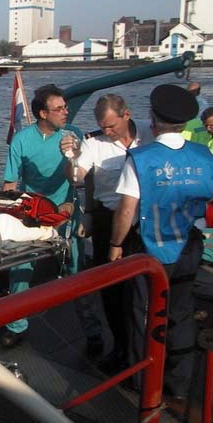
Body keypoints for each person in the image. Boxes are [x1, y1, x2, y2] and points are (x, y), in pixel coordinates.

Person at [109, 85, 213, 408]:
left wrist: (115, 244)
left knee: (141, 313)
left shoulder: (141, 158)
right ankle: (178, 381)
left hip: (149, 245)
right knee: (181, 312)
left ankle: (141, 378)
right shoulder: (206, 156)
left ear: (152, 118)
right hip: (189, 243)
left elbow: (126, 210)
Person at [59, 94, 153, 368]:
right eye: (103, 126)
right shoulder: (93, 144)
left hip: (143, 220)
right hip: (107, 219)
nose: (107, 131)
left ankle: (144, 347)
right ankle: (121, 348)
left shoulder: (150, 133)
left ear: (127, 114)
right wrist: (71, 158)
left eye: (112, 126)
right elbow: (77, 177)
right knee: (111, 289)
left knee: (141, 290)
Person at [1, 84, 98, 348]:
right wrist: (11, 215)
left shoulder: (73, 135)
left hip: (66, 211)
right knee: (20, 267)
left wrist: (82, 211)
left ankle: (92, 329)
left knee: (77, 271)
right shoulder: (22, 139)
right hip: (34, 211)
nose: (66, 112)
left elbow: (85, 177)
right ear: (43, 114)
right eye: (59, 109)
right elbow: (10, 183)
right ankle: (16, 324)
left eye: (66, 107)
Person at [187, 107, 213, 268]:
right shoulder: (203, 132)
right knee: (208, 219)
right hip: (206, 183)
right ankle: (208, 255)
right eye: (206, 125)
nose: (208, 129)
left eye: (211, 125)